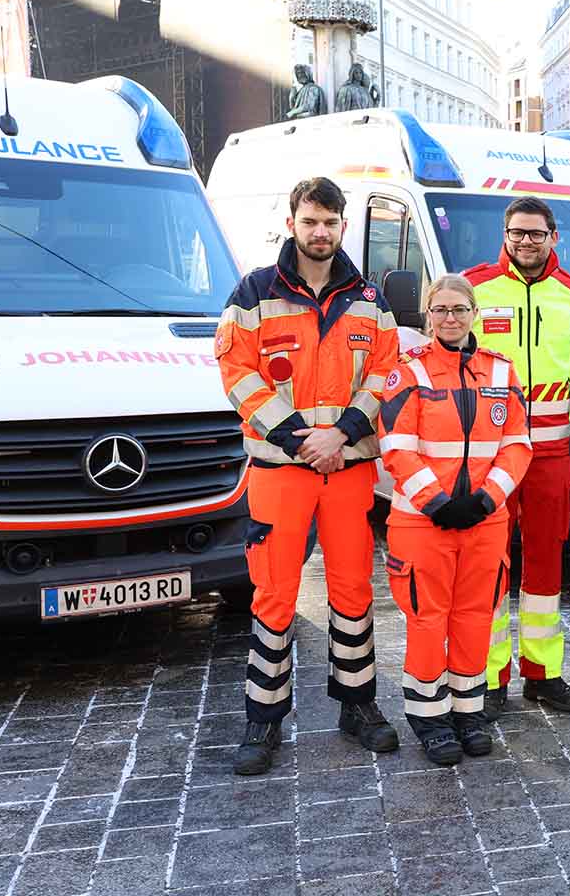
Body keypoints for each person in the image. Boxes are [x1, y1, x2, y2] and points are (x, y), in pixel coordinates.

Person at [216, 176, 400, 775]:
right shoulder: (254, 293)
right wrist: (301, 440)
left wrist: (341, 433)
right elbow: (238, 372)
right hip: (282, 468)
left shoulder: (369, 298)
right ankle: (263, 719)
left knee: (352, 589)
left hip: (346, 468)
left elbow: (385, 371)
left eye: (330, 222)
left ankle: (358, 705)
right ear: (292, 222)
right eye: (310, 220)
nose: (320, 232)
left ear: (343, 226)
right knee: (273, 593)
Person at [378, 274, 532, 764]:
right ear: (427, 315)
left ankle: (468, 710)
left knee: (475, 618)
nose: (450, 318)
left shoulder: (502, 372)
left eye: (459, 309)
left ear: (474, 313)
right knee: (429, 619)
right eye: (441, 309)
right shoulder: (410, 373)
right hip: (423, 523)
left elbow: (517, 446)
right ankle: (428, 716)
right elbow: (396, 449)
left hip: (485, 523)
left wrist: (486, 500)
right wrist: (437, 503)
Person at [464, 198, 570, 714]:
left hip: (551, 452)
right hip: (491, 453)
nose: (526, 242)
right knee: (490, 562)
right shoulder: (476, 287)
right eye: (517, 233)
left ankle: (543, 674)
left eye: (536, 233)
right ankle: (491, 676)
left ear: (553, 236)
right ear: (506, 234)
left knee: (545, 560)